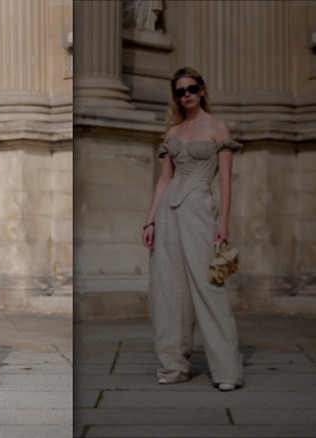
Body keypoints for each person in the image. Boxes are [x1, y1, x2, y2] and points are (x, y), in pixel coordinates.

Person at [141, 67, 244, 391]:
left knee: (209, 287)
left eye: (191, 89)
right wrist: (150, 220)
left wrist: (224, 223)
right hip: (168, 213)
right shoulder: (172, 133)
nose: (186, 95)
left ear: (201, 90)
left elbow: (225, 179)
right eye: (180, 91)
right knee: (168, 291)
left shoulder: (217, 127)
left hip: (199, 209)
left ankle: (227, 372)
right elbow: (164, 180)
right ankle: (173, 367)